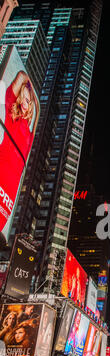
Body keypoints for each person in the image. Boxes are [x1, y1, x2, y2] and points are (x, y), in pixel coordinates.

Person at [0, 70, 39, 233]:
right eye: (23, 97)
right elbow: (22, 76)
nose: (25, 102)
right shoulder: (10, 110)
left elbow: (37, 118)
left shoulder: (30, 134)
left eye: (28, 101)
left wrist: (36, 103)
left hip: (11, 187)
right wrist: (30, 88)